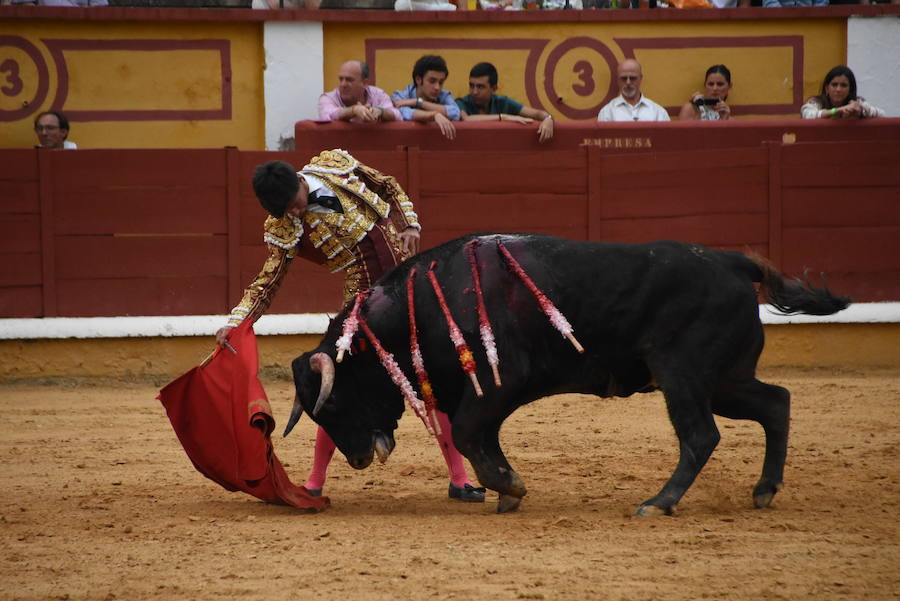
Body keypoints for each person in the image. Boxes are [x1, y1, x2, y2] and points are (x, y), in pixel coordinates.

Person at [215, 150, 486, 503]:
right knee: (337, 387)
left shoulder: (333, 166)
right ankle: (314, 482)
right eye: (286, 212)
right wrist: (237, 322)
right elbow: (269, 282)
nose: (295, 213)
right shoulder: (285, 226)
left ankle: (459, 479)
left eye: (294, 204)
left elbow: (387, 186)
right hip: (364, 302)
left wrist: (409, 224)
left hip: (410, 283)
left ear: (299, 181)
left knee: (430, 377)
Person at [455, 62, 554, 143]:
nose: (474, 92)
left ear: (494, 88)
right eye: (472, 86)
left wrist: (548, 119)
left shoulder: (502, 102)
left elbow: (537, 114)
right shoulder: (461, 102)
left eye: (480, 87)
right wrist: (503, 117)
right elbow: (466, 119)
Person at [392, 55, 459, 140]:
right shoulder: (400, 96)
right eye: (432, 81)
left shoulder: (444, 95)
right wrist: (434, 115)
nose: (437, 87)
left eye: (441, 82)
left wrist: (418, 102)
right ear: (418, 80)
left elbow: (455, 112)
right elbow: (403, 113)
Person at [318, 60, 400, 123]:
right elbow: (327, 115)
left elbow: (397, 115)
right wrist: (354, 110)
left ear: (365, 83)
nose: (343, 84)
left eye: (349, 80)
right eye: (340, 79)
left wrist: (381, 111)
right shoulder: (328, 98)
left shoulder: (378, 94)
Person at [801, 65, 885, 120]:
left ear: (850, 89)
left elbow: (882, 114)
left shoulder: (857, 102)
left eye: (843, 85)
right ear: (827, 88)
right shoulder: (816, 102)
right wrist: (837, 111)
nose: (838, 89)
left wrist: (860, 110)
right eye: (834, 85)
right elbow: (807, 115)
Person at [597, 59, 670, 123]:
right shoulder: (607, 112)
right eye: (624, 78)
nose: (628, 82)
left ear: (640, 78)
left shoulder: (658, 112)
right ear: (618, 80)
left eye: (632, 78)